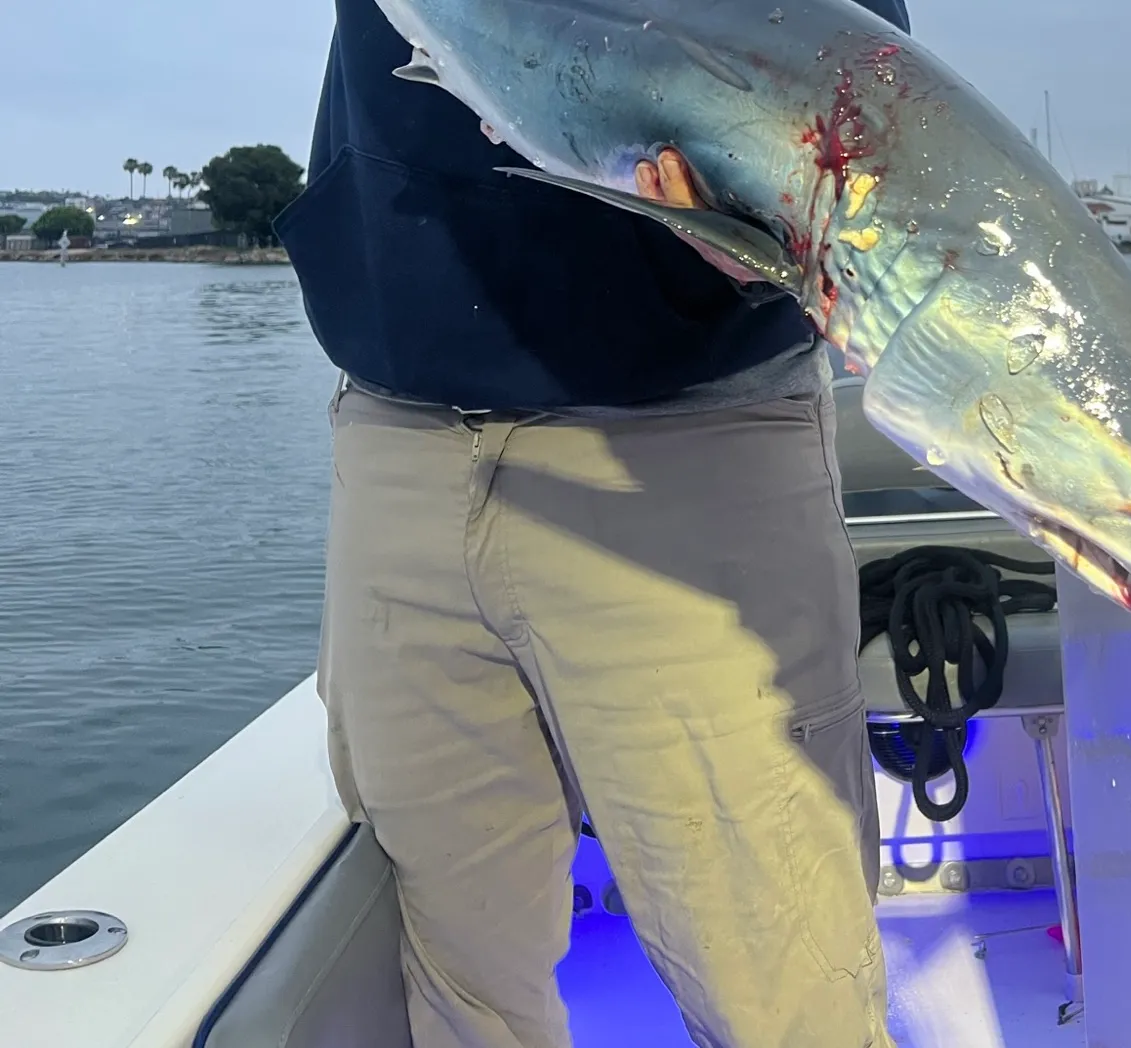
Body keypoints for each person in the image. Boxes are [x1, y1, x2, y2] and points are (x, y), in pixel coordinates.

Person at [274, 0, 911, 1044]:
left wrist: (788, 222)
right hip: (399, 432)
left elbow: (851, 81)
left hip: (688, 449)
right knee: (459, 988)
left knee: (789, 991)